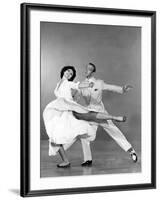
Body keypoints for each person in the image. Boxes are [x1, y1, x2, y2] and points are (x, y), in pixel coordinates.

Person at [43, 66, 125, 168]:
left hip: (68, 108)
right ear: (63, 71)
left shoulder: (68, 83)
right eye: (68, 71)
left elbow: (78, 85)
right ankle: (66, 161)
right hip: (60, 110)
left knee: (88, 115)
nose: (69, 73)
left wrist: (88, 84)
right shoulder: (58, 84)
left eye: (71, 74)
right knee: (54, 138)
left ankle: (114, 118)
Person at [72, 63, 138, 166]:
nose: (86, 70)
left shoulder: (99, 83)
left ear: (93, 71)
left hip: (101, 114)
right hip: (90, 114)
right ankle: (88, 159)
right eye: (86, 69)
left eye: (89, 69)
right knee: (84, 134)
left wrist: (122, 89)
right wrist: (71, 99)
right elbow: (75, 98)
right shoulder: (81, 85)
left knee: (115, 132)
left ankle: (131, 151)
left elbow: (110, 87)